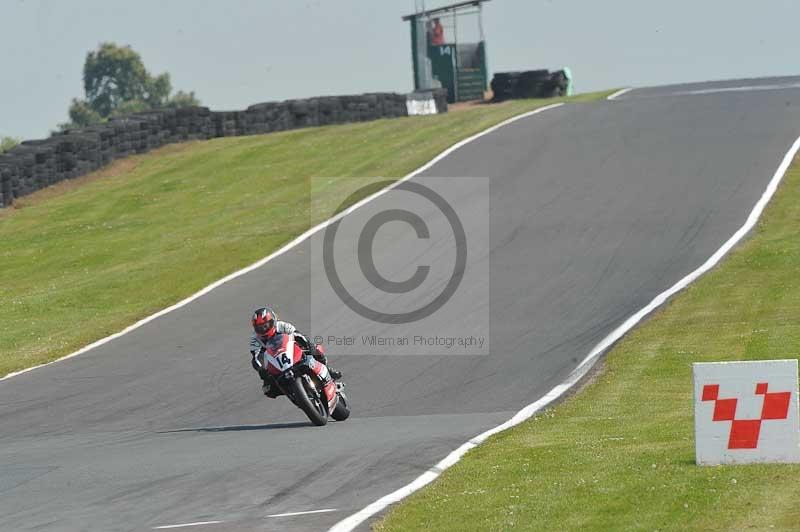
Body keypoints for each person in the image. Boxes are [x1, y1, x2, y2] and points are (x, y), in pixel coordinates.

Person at [249, 307, 342, 397]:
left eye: (265, 326)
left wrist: (307, 345)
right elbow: (256, 357)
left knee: (314, 349)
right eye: (259, 328)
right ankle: (292, 393)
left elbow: (298, 335)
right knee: (268, 390)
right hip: (275, 360)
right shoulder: (255, 338)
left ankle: (327, 370)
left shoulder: (281, 326)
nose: (263, 329)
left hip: (292, 350)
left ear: (273, 321)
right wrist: (261, 369)